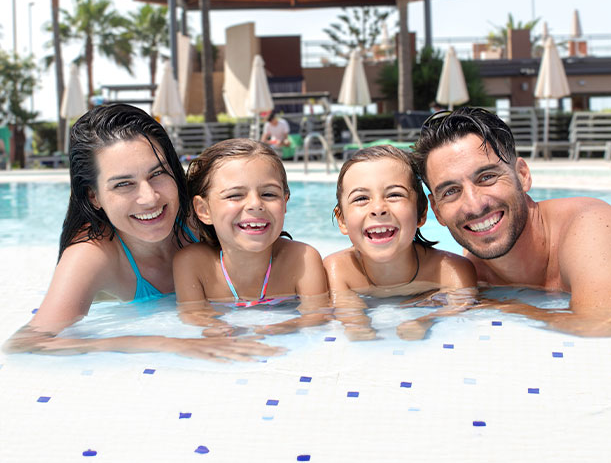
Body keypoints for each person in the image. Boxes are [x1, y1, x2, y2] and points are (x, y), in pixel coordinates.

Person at [4, 104, 281, 361]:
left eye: (157, 174)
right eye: (123, 184)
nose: (149, 198)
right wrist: (168, 343)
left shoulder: (200, 218)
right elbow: (28, 342)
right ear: (93, 196)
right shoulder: (92, 254)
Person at [414, 107, 611, 336]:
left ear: (522, 175)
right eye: (451, 191)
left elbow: (609, 323)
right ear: (437, 211)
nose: (474, 206)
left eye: (487, 177)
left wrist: (502, 307)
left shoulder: (594, 227)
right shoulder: (474, 271)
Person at [173, 138, 330, 335]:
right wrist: (225, 334)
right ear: (204, 210)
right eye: (235, 195)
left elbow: (317, 315)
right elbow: (193, 316)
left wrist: (281, 328)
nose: (255, 204)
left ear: (285, 203)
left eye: (269, 194)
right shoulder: (192, 264)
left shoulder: (302, 259)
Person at [323, 145, 477, 341]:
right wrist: (357, 324)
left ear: (421, 212)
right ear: (342, 220)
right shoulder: (338, 271)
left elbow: (460, 311)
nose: (378, 208)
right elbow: (351, 321)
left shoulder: (451, 271)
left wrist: (426, 320)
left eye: (394, 195)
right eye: (361, 198)